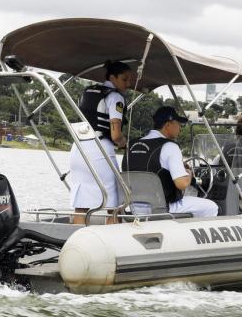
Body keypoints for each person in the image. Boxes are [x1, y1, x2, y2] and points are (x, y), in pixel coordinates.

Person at [122, 106, 218, 218]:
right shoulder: (170, 146)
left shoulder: (131, 145)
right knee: (211, 207)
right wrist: (189, 174)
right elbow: (182, 184)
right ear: (168, 125)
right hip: (163, 206)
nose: (180, 128)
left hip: (134, 207)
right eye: (178, 124)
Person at [69, 60, 131, 224]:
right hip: (100, 150)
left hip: (78, 149)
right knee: (114, 204)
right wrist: (125, 143)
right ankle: (114, 242)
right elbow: (116, 135)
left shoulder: (88, 91)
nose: (128, 84)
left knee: (81, 204)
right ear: (113, 77)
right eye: (124, 79)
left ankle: (76, 240)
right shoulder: (116, 97)